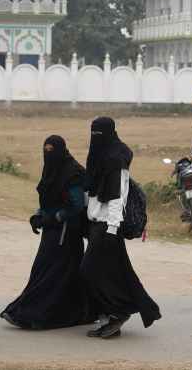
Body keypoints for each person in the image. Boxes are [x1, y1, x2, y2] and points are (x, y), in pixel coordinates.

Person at [80, 117, 160, 339]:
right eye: (92, 133)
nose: (95, 138)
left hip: (108, 227)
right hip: (96, 224)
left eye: (99, 133)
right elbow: (92, 191)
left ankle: (118, 312)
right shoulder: (97, 156)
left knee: (89, 271)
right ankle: (111, 317)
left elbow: (118, 195)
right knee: (113, 273)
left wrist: (112, 229)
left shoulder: (116, 158)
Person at [0, 135, 92, 330]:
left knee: (55, 275)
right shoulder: (50, 170)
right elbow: (47, 198)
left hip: (66, 236)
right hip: (51, 233)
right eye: (45, 150)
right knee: (43, 272)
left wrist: (54, 218)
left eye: (52, 150)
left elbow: (76, 206)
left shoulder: (73, 173)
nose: (48, 155)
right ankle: (31, 312)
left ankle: (37, 315)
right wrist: (37, 215)